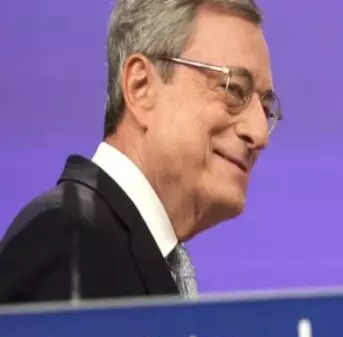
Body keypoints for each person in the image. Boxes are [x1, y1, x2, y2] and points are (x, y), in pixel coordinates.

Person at [0, 0, 280, 304]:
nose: (259, 133)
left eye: (265, 108)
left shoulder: (115, 247)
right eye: (234, 90)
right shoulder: (70, 241)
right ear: (141, 86)